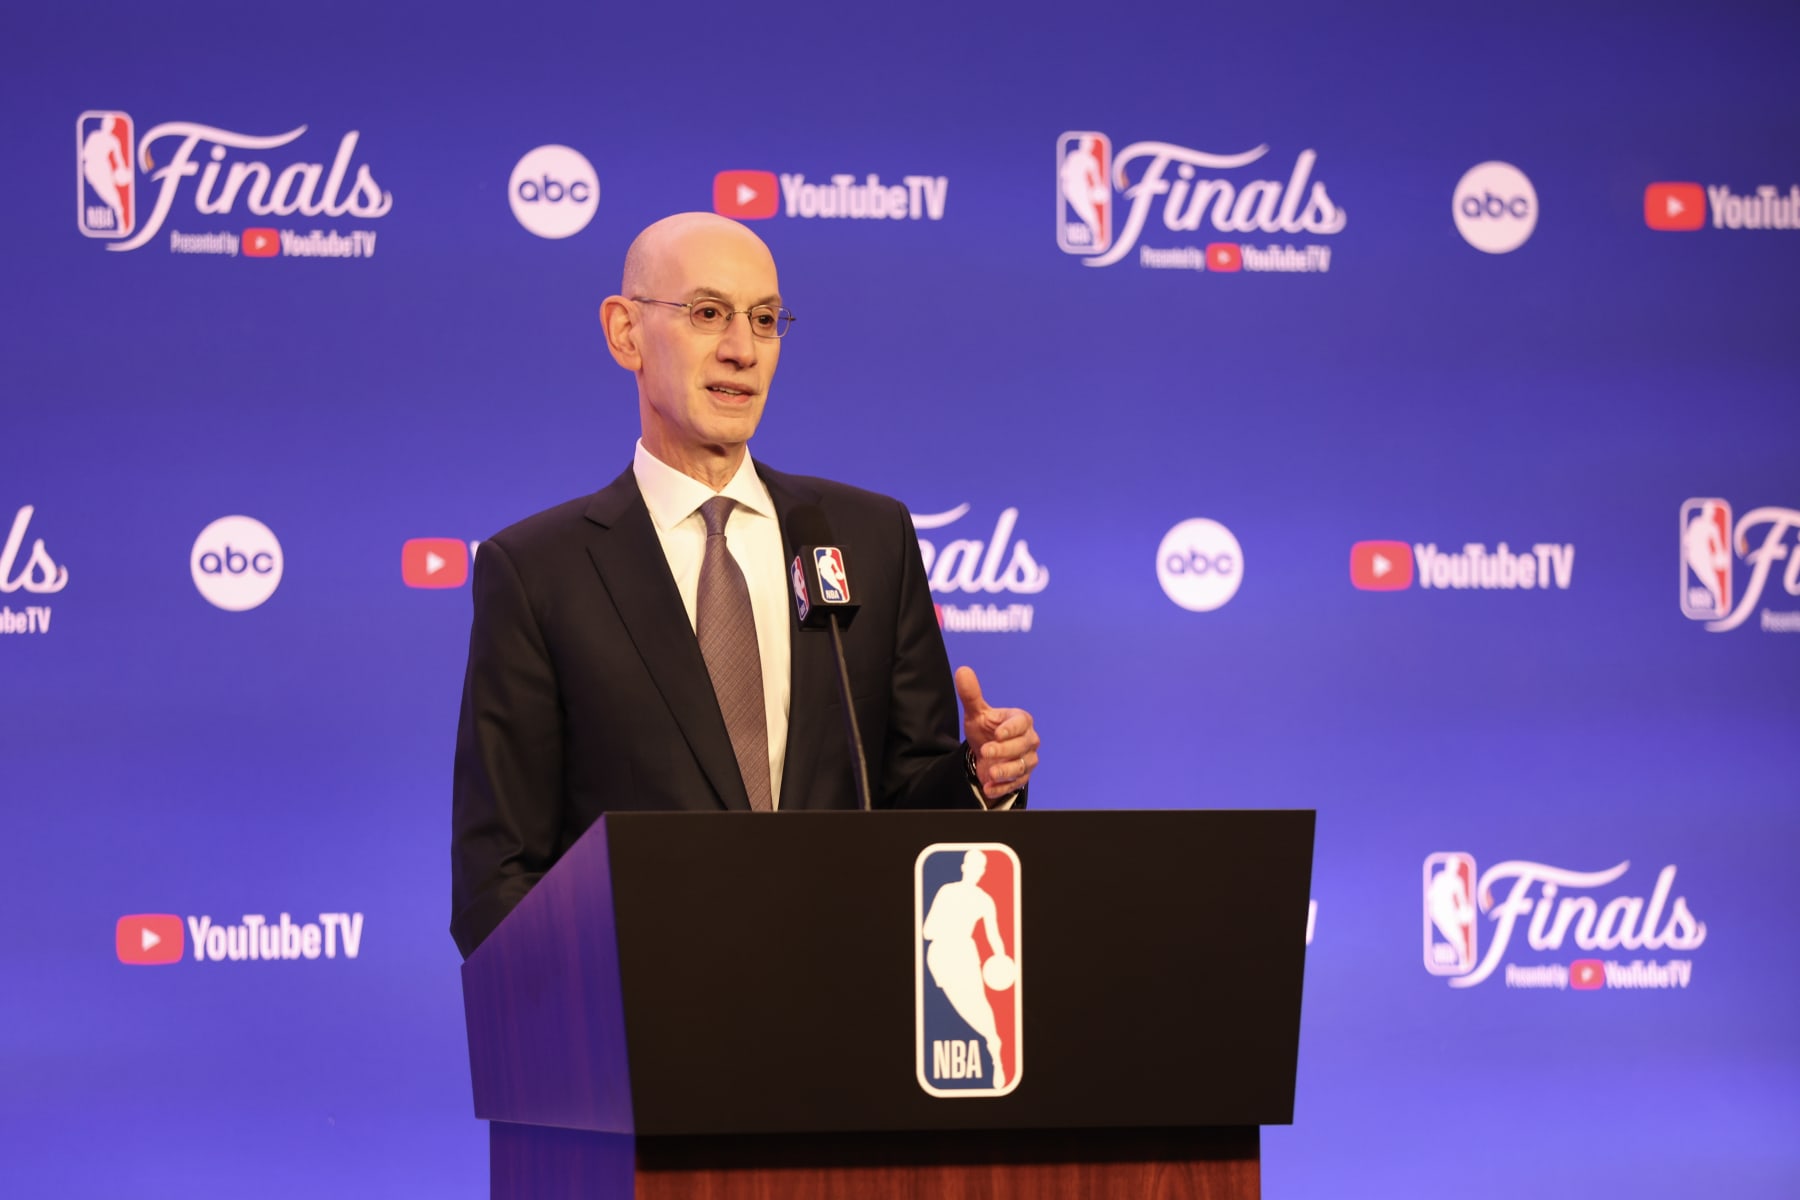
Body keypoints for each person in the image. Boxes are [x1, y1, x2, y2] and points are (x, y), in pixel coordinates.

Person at [450, 213, 1040, 958]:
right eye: (707, 314)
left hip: (849, 1014)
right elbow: (497, 876)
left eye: (765, 320)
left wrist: (978, 780)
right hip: (649, 1033)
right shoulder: (539, 572)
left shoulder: (865, 537)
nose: (742, 349)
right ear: (625, 332)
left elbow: (905, 804)